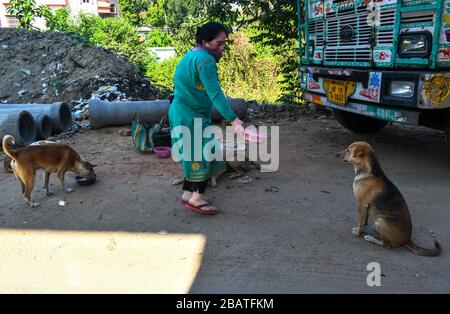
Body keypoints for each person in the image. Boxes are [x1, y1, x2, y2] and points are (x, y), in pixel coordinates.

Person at [169, 22, 245, 215]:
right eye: (219, 43)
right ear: (205, 41)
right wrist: (234, 119)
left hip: (181, 111)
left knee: (192, 153)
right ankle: (197, 198)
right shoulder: (206, 61)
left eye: (224, 43)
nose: (222, 47)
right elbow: (216, 94)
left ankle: (187, 192)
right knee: (204, 154)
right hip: (190, 115)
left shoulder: (192, 54)